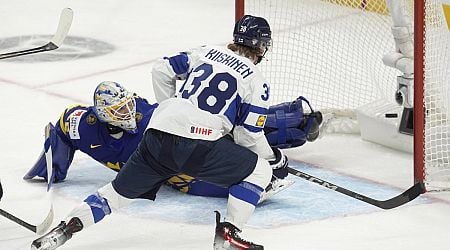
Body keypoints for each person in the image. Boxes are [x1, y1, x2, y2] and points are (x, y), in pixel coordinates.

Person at [31, 15, 322, 250]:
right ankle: (230, 234)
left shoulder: (205, 51)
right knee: (258, 172)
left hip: (156, 135)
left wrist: (169, 108)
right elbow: (248, 136)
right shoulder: (256, 79)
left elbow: (162, 69)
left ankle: (63, 231)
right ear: (262, 46)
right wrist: (274, 160)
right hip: (199, 145)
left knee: (114, 195)